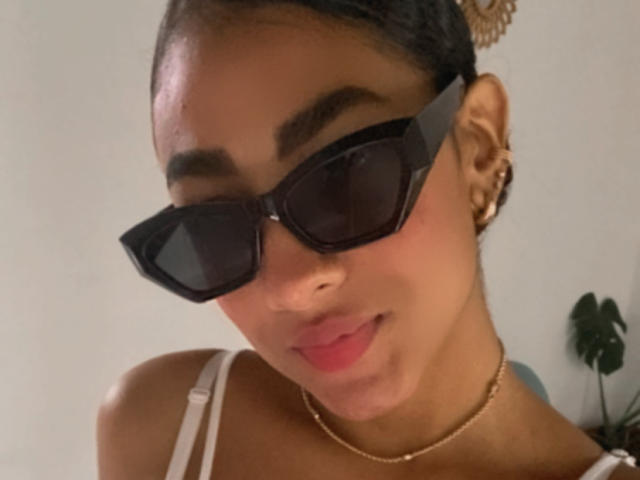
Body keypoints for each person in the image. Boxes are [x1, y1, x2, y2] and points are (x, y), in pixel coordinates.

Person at [96, 1, 639, 478]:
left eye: (347, 177)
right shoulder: (160, 429)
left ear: (477, 148)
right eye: (211, 223)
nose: (290, 287)